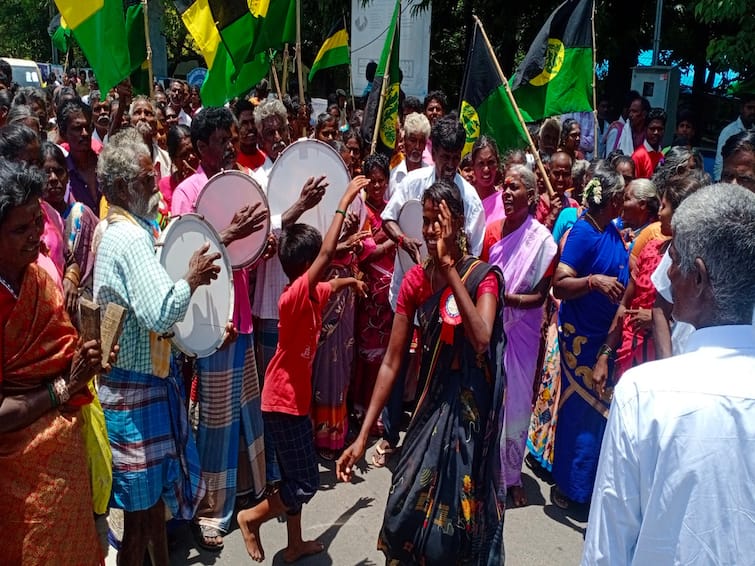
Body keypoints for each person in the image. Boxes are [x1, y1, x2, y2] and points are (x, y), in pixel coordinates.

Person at [582, 184, 755, 566]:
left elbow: (608, 546)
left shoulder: (644, 393)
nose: (667, 274)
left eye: (673, 259)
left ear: (697, 277)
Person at [336, 180, 506, 565]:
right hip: (429, 410)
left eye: (438, 221)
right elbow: (393, 362)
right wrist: (363, 436)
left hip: (467, 416)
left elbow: (480, 338)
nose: (430, 231)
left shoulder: (483, 277)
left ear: (459, 223)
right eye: (426, 221)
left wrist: (449, 272)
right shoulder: (414, 280)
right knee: (403, 506)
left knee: (454, 528)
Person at [93, 129, 218, 565]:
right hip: (134, 397)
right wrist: (193, 278)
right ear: (127, 186)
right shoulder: (128, 238)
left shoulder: (122, 229)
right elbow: (163, 314)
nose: (157, 184)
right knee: (140, 521)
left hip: (135, 392)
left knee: (148, 518)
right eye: (150, 177)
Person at [237, 176, 369, 563]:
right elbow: (328, 255)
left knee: (293, 477)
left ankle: (294, 544)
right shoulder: (293, 297)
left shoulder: (313, 292)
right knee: (305, 482)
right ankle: (251, 518)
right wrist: (345, 198)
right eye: (319, 266)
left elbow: (333, 279)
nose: (325, 272)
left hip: (292, 403)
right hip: (282, 404)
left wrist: (351, 283)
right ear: (307, 267)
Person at [171, 107, 270, 550]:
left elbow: (246, 252)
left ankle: (247, 493)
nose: (230, 145)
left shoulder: (234, 185)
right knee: (214, 420)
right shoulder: (185, 193)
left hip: (242, 315)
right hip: (212, 324)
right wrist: (229, 234)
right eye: (222, 139)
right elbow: (188, 257)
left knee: (246, 411)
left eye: (231, 138)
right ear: (200, 146)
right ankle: (212, 509)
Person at [0, 160, 108, 565]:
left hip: (65, 463)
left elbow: (63, 352)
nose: (36, 239)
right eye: (20, 229)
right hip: (18, 482)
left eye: (36, 224)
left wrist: (89, 358)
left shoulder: (38, 280)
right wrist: (63, 387)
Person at [377, 115, 485, 463]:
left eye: (456, 157)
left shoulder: (471, 202)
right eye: (444, 157)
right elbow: (387, 218)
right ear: (432, 151)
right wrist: (404, 240)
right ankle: (389, 434)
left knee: (435, 367)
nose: (450, 165)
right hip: (409, 287)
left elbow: (474, 256)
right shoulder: (412, 182)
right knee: (397, 358)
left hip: (446, 298)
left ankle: (427, 439)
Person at [549, 163, 628, 510]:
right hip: (580, 340)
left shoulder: (610, 230)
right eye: (621, 197)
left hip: (605, 338)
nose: (624, 203)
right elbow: (560, 284)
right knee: (580, 413)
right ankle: (569, 487)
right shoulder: (583, 233)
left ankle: (589, 488)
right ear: (610, 199)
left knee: (598, 417)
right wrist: (593, 281)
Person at [482, 165, 557, 507]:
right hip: (491, 326)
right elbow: (481, 278)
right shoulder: (493, 232)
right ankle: (485, 469)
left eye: (515, 188)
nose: (507, 193)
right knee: (489, 397)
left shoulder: (541, 242)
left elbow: (540, 297)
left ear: (531, 195)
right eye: (505, 187)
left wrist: (506, 299)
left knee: (516, 404)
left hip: (523, 332)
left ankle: (511, 477)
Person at [595, 172, 704, 389]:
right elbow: (624, 306)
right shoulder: (651, 249)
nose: (659, 213)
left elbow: (698, 321)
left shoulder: (697, 268)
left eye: (664, 207)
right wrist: (605, 355)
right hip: (628, 359)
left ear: (682, 214)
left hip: (667, 365)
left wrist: (660, 319)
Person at [353, 153, 396, 422]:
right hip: (369, 293)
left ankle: (378, 412)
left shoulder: (392, 210)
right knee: (366, 355)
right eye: (373, 182)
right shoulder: (362, 212)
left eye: (382, 181)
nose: (378, 187)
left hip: (389, 295)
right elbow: (366, 253)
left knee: (385, 356)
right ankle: (361, 405)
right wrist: (395, 239)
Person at [40, 141, 98, 301]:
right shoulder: (35, 219)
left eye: (59, 172)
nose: (53, 179)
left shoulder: (81, 215)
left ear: (67, 176)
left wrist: (72, 277)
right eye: (46, 173)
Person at [57, 99, 101, 213]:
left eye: (88, 127)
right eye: (77, 128)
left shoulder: (105, 165)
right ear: (63, 134)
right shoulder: (61, 175)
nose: (85, 133)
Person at [714, 91, 755, 181]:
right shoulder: (729, 131)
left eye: (754, 108)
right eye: (749, 108)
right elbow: (720, 162)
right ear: (741, 109)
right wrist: (720, 184)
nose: (753, 111)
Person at [157, 124, 198, 211]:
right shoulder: (164, 186)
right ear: (173, 159)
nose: (191, 157)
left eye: (193, 151)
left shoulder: (209, 176)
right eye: (184, 154)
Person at [536, 150, 579, 231]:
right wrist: (552, 215)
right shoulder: (537, 205)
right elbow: (535, 240)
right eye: (556, 174)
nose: (561, 179)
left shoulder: (574, 205)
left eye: (565, 174)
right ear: (549, 174)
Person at [621, 177, 660, 261]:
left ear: (642, 204)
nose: (621, 202)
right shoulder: (617, 224)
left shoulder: (652, 235)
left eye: (627, 199)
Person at [389, 111, 430, 190]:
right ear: (404, 140)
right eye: (413, 140)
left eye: (421, 142)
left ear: (425, 144)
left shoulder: (431, 177)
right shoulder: (393, 176)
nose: (417, 147)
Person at [471, 136, 505, 222]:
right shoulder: (466, 200)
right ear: (473, 166)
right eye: (481, 163)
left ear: (497, 164)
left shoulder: (505, 200)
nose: (486, 169)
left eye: (490, 162)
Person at [631, 107, 666, 179]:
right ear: (645, 129)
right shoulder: (638, 156)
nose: (656, 132)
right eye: (652, 129)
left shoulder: (662, 154)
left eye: (660, 129)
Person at [234, 98, 266, 171]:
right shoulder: (234, 165)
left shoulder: (266, 157)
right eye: (244, 123)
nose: (251, 127)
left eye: (253, 121)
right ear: (236, 127)